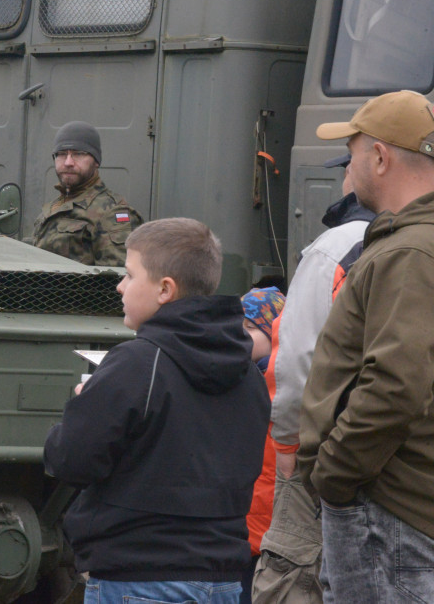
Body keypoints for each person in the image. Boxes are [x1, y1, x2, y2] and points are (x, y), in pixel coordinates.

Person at [44, 217, 270, 604]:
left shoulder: (136, 363)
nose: (119, 286)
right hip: (225, 582)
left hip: (139, 579)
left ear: (165, 289)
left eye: (129, 275)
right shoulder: (247, 374)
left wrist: (84, 403)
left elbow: (70, 460)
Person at [298, 89, 434, 603]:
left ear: (380, 156)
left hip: (386, 510)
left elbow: (396, 384)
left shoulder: (410, 251)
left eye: (353, 151)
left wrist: (334, 474)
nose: (348, 168)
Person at [252, 156, 374, 604]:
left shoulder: (337, 245)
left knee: (295, 577)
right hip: (403, 468)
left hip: (323, 458)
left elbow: (298, 358)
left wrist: (288, 448)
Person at [32, 121, 143, 266]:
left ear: (96, 161)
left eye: (78, 154)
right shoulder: (55, 207)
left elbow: (118, 281)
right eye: (61, 154)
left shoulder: (112, 212)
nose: (68, 162)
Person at [238, 287, 285, 604]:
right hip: (245, 523)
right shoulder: (242, 377)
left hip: (267, 524)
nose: (242, 336)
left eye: (252, 328)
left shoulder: (283, 382)